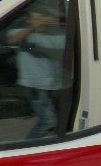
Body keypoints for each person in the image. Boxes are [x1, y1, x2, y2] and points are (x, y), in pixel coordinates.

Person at [5, 8, 66, 139]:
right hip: (35, 87)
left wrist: (54, 23)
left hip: (52, 85)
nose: (40, 21)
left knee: (54, 121)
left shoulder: (53, 37)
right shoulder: (20, 33)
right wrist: (32, 27)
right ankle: (23, 149)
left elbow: (69, 41)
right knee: (48, 122)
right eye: (35, 18)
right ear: (27, 20)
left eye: (42, 17)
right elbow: (12, 40)